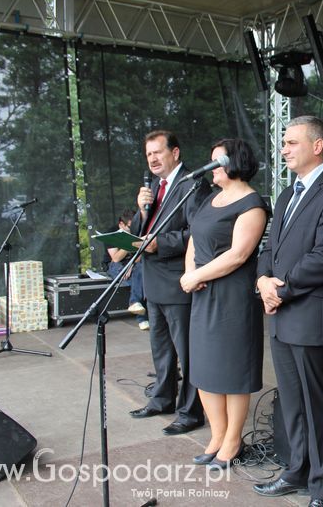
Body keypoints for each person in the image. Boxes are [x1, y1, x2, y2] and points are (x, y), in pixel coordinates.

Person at [254, 116, 323, 507]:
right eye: (283, 143)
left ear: (317, 146)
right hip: (281, 316)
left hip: (311, 317)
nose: (284, 150)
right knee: (292, 404)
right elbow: (270, 248)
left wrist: (280, 291)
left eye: (292, 143)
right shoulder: (286, 195)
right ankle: (296, 470)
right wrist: (263, 281)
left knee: (319, 406)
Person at [180, 138, 268, 470]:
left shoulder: (252, 204)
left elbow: (238, 255)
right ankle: (217, 436)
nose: (211, 167)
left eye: (217, 161)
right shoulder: (210, 198)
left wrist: (197, 275)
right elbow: (194, 239)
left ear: (234, 162)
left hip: (232, 298)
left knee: (232, 371)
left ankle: (233, 441)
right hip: (203, 292)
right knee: (204, 369)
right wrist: (190, 273)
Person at [128, 130, 209, 436]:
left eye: (158, 152)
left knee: (187, 352)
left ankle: (191, 411)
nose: (152, 159)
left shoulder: (192, 184)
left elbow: (199, 232)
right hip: (153, 280)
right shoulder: (153, 187)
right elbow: (140, 231)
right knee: (161, 347)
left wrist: (160, 243)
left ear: (175, 153)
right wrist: (141, 210)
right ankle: (162, 399)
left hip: (178, 280)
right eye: (148, 154)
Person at [103, 208, 149, 330]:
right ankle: (142, 318)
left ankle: (135, 303)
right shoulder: (112, 232)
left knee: (141, 271)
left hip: (132, 263)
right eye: (130, 227)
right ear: (121, 224)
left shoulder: (139, 229)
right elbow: (116, 258)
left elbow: (140, 256)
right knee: (139, 280)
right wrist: (129, 244)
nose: (133, 229)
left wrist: (131, 264)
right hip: (114, 264)